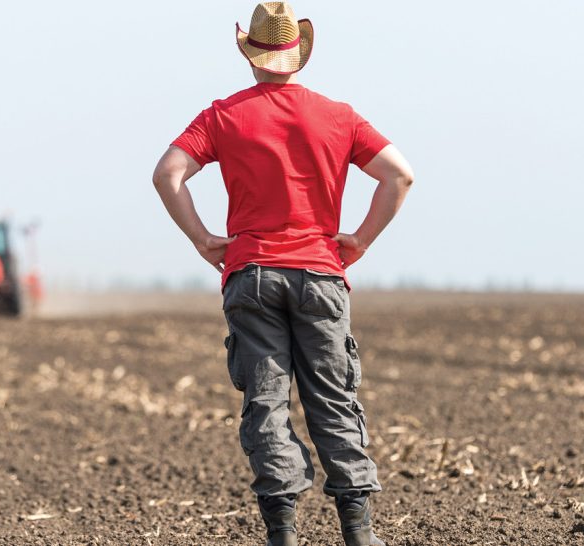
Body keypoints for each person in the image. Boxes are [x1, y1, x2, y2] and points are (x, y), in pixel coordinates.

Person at [151, 3, 414, 545]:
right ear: (299, 55)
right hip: (320, 274)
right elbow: (399, 176)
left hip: (252, 275)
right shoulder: (339, 115)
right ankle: (359, 534)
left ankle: (283, 535)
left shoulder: (223, 115)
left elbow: (168, 173)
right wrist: (359, 239)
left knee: (266, 403)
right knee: (333, 400)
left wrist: (203, 240)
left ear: (250, 55)